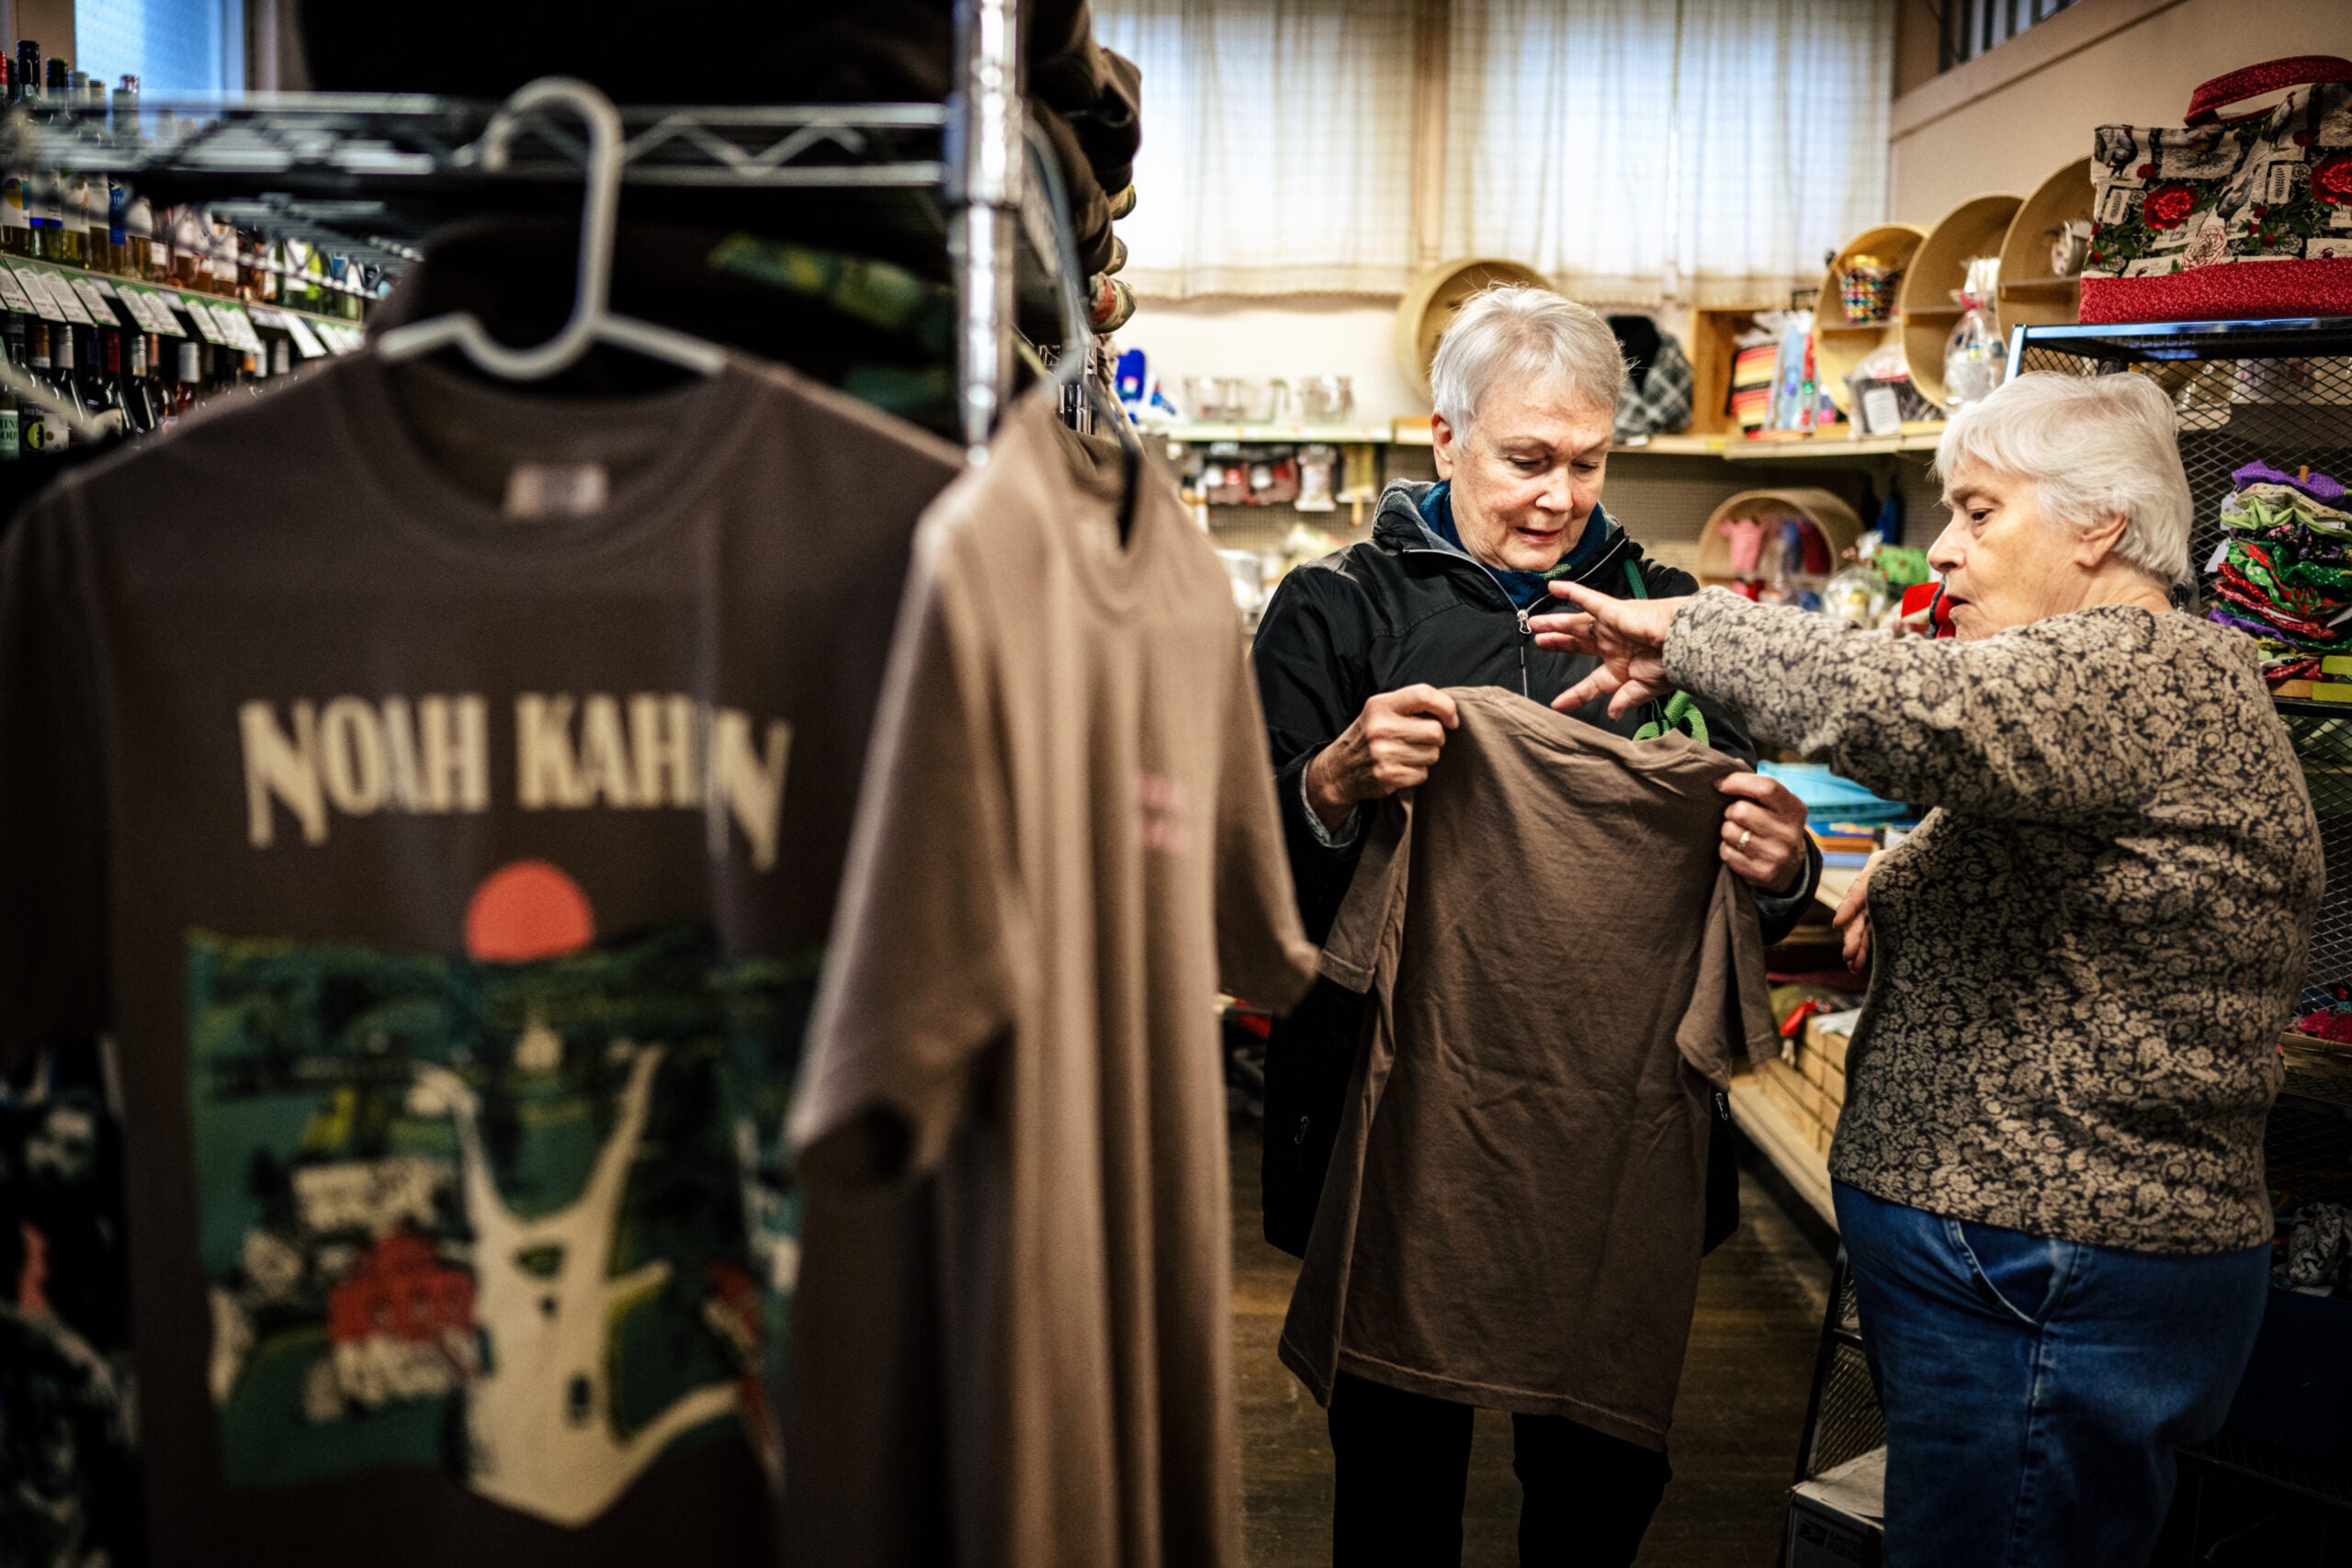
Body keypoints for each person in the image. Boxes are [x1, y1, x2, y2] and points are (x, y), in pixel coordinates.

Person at [1532, 370, 2324, 1568]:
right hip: (2031, 1274)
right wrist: (1905, 887)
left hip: (2049, 1277)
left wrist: (1689, 627)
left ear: (2100, 524)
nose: (1944, 552)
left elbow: (1914, 708)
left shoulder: (2134, 669)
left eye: (1980, 512)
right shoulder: (2125, 688)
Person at [1250, 286, 1820, 1564]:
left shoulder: (1673, 621)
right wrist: (1330, 785)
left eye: (1588, 462)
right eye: (1526, 459)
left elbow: (1748, 867)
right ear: (1443, 437)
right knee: (1397, 1476)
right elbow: (1246, 894)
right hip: (1395, 1120)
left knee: (1597, 1480)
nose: (1560, 496)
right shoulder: (1334, 614)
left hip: (1610, 1118)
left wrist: (1784, 867)